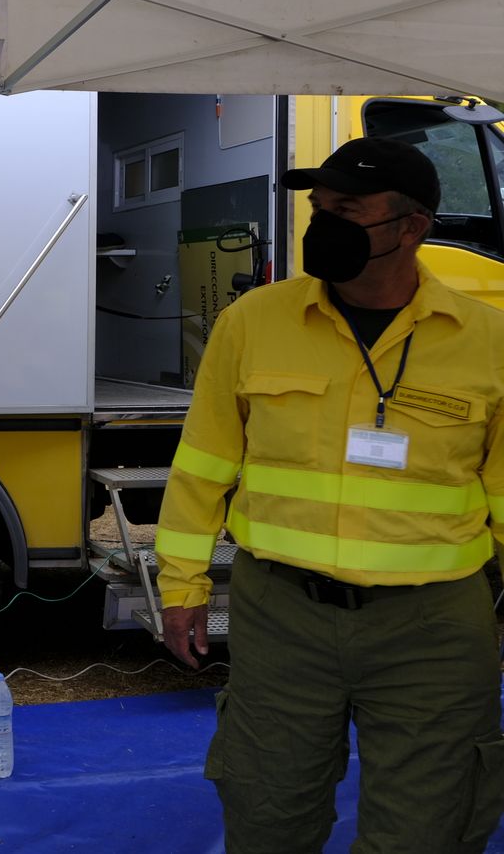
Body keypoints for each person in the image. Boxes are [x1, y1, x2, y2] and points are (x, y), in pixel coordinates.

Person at [154, 135, 504, 853]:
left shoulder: (488, 339)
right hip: (281, 617)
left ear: (412, 226)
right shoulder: (252, 322)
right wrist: (182, 587)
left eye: (346, 208)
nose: (322, 224)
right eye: (317, 207)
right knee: (266, 816)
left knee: (426, 830)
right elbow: (202, 466)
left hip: (433, 629)